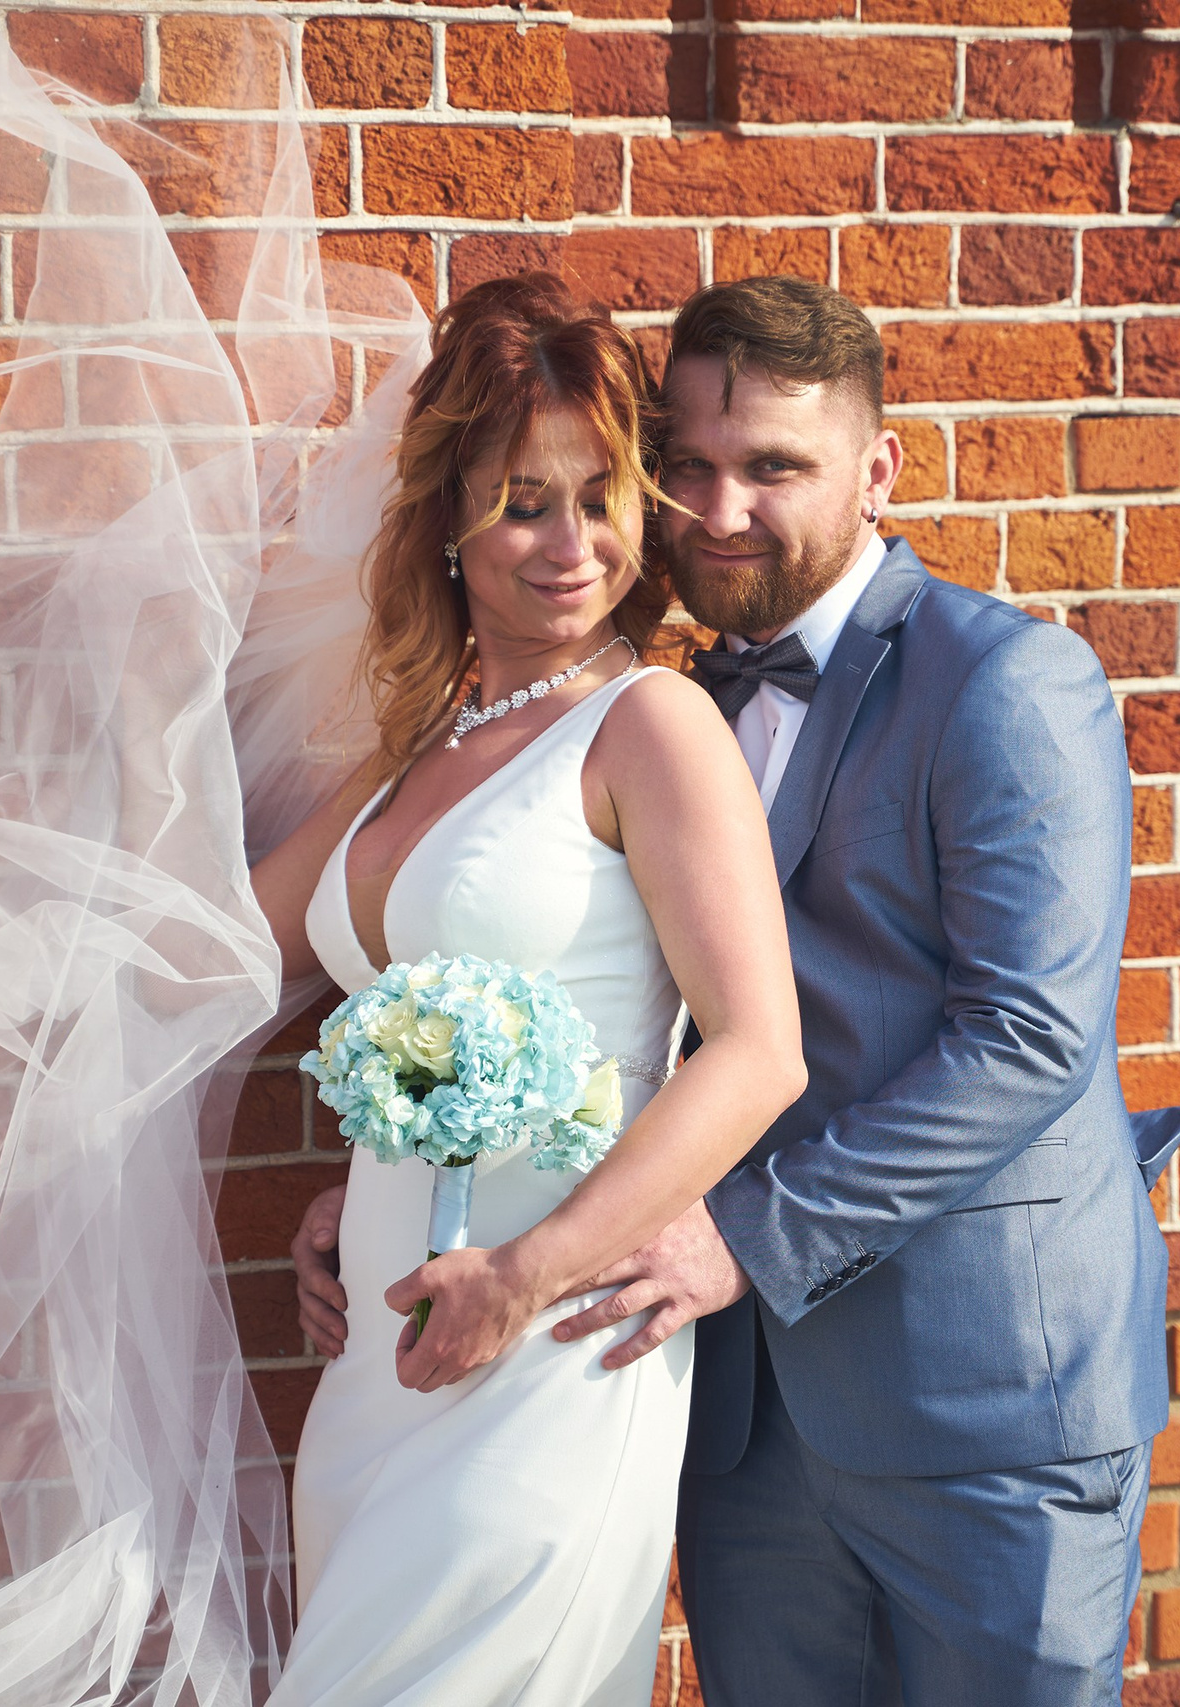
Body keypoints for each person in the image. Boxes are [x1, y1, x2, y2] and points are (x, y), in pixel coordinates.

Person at [318, 274, 1172, 1706]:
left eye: (775, 467)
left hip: (981, 1403)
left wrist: (740, 1241)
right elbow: (606, 1010)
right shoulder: (662, 707)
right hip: (735, 1418)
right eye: (692, 469)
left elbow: (1026, 1039)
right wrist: (422, 1167)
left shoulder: (1006, 680)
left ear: (877, 469)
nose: (718, 509)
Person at [252, 272, 805, 1706]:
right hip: (383, 1365)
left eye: (601, 493)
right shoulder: (418, 747)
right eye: (521, 500)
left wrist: (521, 1275)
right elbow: (228, 947)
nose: (572, 544)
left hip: (550, 1347)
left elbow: (755, 1054)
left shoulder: (653, 725)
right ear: (447, 522)